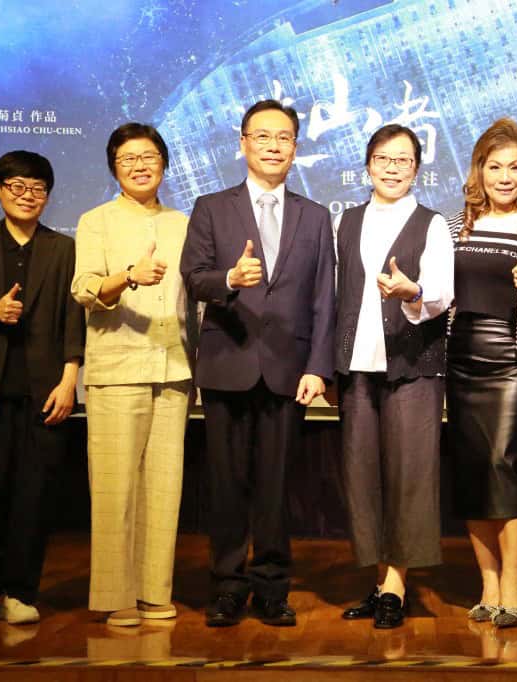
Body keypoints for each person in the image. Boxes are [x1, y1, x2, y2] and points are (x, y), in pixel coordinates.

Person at [180, 99, 336, 628]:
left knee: (276, 486)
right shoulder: (211, 207)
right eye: (263, 136)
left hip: (288, 370)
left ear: (295, 147)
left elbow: (324, 298)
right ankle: (228, 586)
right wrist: (229, 279)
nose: (273, 146)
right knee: (226, 485)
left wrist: (318, 366)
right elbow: (193, 277)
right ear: (242, 143)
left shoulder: (315, 216)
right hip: (228, 363)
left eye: (284, 138)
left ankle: (272, 587)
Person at [0, 150, 84, 626]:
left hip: (43, 395)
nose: (28, 196)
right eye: (17, 186)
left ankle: (22, 593)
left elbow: (72, 320)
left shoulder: (63, 249)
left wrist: (70, 379)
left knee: (33, 500)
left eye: (38, 188)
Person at [72, 123, 195, 627]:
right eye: (128, 159)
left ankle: (153, 591)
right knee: (114, 486)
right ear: (114, 168)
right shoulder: (95, 221)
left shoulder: (184, 223)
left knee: (165, 488)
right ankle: (114, 596)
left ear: (164, 163)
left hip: (174, 367)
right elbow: (83, 288)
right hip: (117, 367)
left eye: (149, 157)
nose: (140, 166)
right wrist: (128, 276)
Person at [334, 124, 454, 629]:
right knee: (362, 475)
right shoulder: (346, 220)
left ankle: (397, 588)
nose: (391, 168)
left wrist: (412, 292)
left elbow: (442, 294)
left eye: (403, 160)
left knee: (409, 475)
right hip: (357, 365)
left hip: (412, 365)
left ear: (416, 169)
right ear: (367, 166)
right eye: (383, 158)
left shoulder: (432, 224)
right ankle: (380, 579)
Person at [446, 118, 517, 629]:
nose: (505, 177)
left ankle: (513, 580)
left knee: (500, 463)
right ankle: (488, 584)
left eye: (515, 167)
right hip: (460, 357)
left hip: (511, 359)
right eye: (496, 167)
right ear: (480, 171)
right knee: (472, 468)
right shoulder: (455, 225)